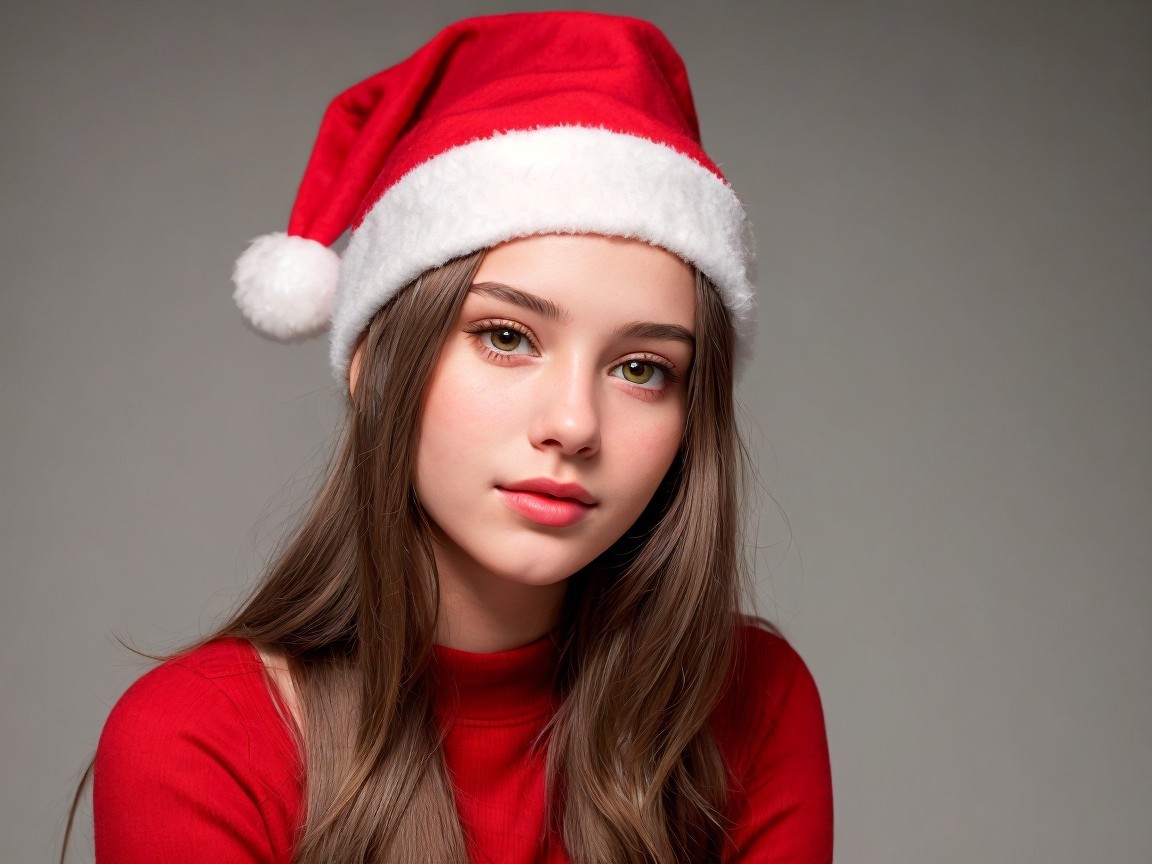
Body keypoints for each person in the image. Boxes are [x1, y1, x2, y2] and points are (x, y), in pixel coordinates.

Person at [89, 11, 832, 863]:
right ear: (374, 357)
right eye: (507, 337)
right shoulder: (197, 741)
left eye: (641, 369)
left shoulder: (749, 703)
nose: (573, 425)